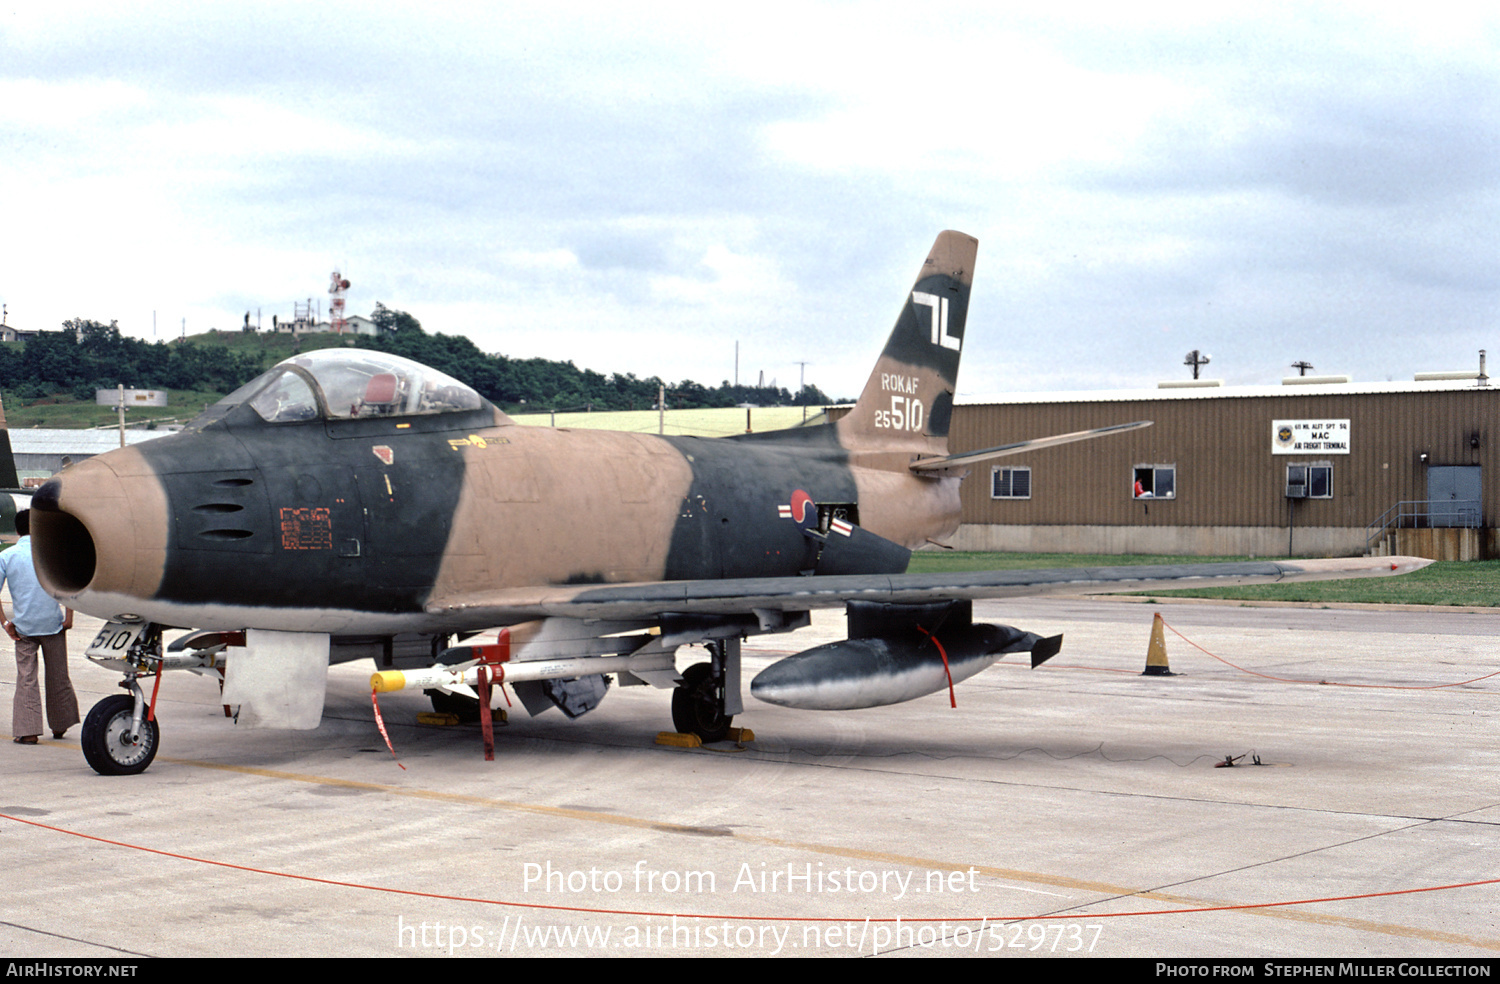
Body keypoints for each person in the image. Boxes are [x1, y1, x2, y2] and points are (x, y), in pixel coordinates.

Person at [2, 510, 77, 744]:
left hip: (23, 627)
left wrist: (5, 623)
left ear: (17, 531)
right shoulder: (53, 553)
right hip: (53, 624)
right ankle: (60, 725)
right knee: (58, 676)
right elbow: (70, 585)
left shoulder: (7, 556)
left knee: (26, 677)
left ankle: (28, 731)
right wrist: (69, 617)